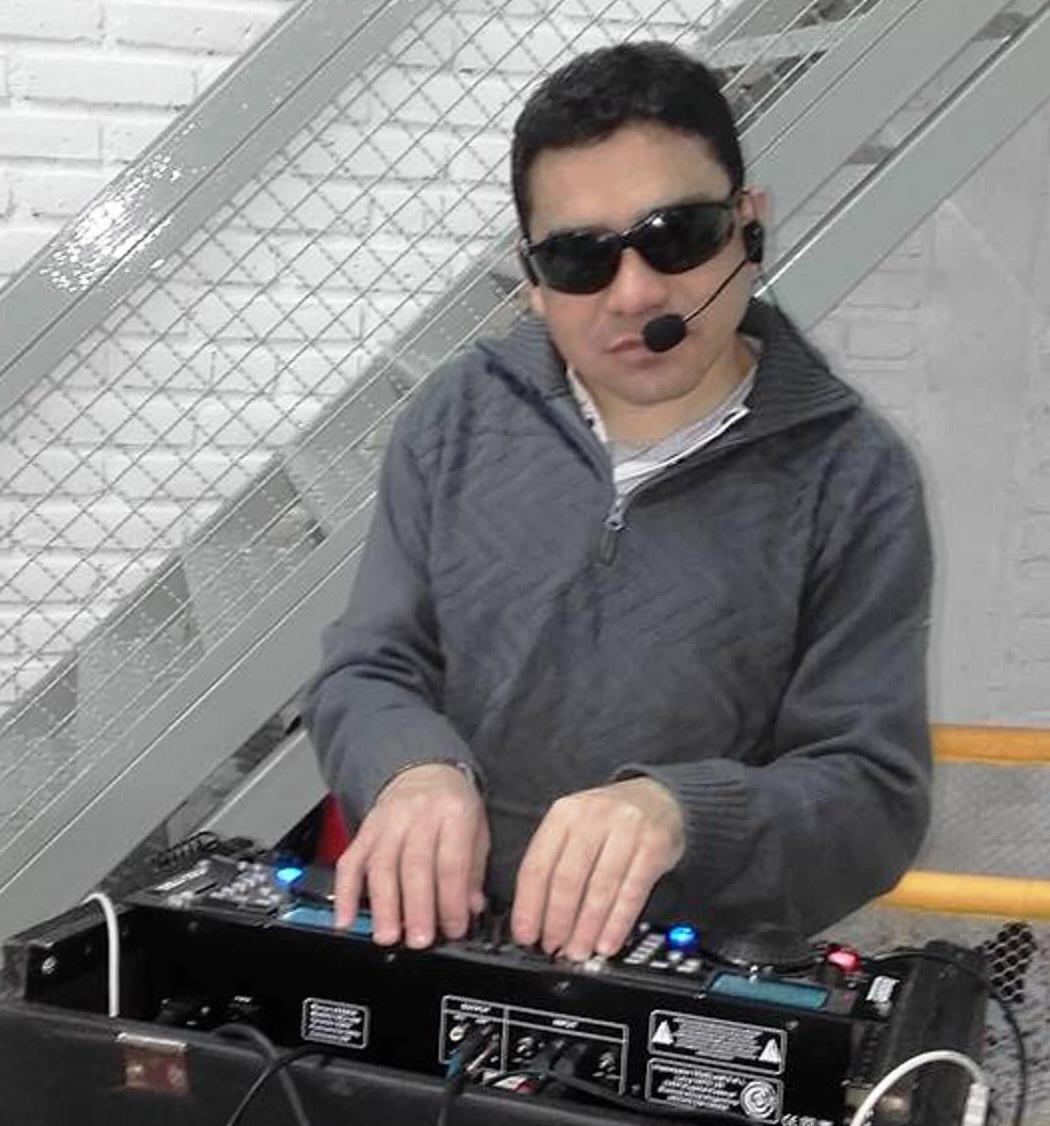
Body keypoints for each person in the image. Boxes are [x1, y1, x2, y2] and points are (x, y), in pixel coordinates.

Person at [303, 41, 932, 962]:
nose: (636, 292)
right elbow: (367, 668)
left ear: (748, 227)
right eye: (579, 258)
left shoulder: (857, 478)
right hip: (441, 947)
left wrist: (683, 813)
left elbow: (874, 801)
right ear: (532, 279)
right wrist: (409, 766)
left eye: (677, 235)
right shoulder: (455, 414)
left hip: (681, 981)